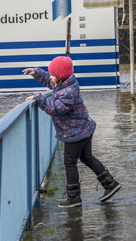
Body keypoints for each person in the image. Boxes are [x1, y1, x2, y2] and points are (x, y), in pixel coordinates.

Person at [22, 56, 121, 208]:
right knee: (87, 157)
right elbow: (49, 81)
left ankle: (74, 198)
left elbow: (55, 109)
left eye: (53, 75)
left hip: (75, 133)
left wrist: (39, 97)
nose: (51, 78)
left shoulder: (67, 92)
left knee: (70, 163)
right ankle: (110, 184)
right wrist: (36, 73)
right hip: (83, 128)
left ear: (61, 77)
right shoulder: (65, 84)